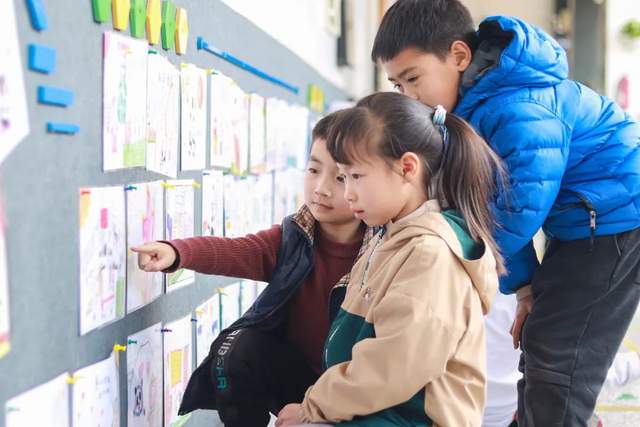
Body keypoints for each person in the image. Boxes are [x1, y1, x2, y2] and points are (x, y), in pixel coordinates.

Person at [371, 1, 640, 425]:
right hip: (583, 221)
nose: (409, 95)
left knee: (560, 359)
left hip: (616, 218)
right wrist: (524, 287)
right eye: (397, 84)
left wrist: (467, 264)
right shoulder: (477, 108)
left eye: (413, 78)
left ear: (459, 56)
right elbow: (490, 205)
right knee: (540, 342)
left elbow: (516, 208)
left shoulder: (518, 107)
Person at [277, 91, 504, 426]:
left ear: (407, 168)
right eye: (344, 177)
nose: (348, 192)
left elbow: (393, 369)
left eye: (355, 176)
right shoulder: (389, 235)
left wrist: (312, 408)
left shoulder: (430, 254)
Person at [133, 114, 375, 427]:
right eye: (314, 170)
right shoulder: (294, 237)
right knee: (235, 347)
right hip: (297, 379)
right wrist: (177, 252)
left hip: (354, 392)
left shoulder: (382, 254)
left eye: (340, 178)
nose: (321, 188)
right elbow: (237, 250)